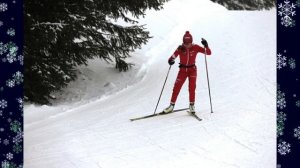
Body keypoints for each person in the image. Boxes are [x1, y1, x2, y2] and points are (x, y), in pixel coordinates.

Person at [163, 31, 211, 114]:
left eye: (188, 43)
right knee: (176, 87)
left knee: (192, 88)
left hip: (192, 70)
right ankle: (171, 106)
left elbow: (209, 53)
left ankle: (192, 106)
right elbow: (172, 57)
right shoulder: (180, 48)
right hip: (182, 71)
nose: (187, 45)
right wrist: (171, 61)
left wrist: (206, 45)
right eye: (185, 43)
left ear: (191, 42)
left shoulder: (196, 47)